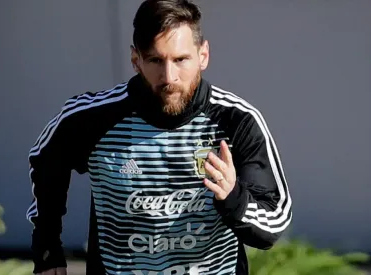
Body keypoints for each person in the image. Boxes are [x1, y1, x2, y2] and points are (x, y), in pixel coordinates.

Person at [25, 0, 292, 274]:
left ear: (203, 55)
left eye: (181, 60)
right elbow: (45, 164)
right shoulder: (90, 118)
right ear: (135, 60)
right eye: (155, 60)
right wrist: (48, 251)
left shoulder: (238, 121)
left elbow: (274, 222)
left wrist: (233, 196)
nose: (169, 76)